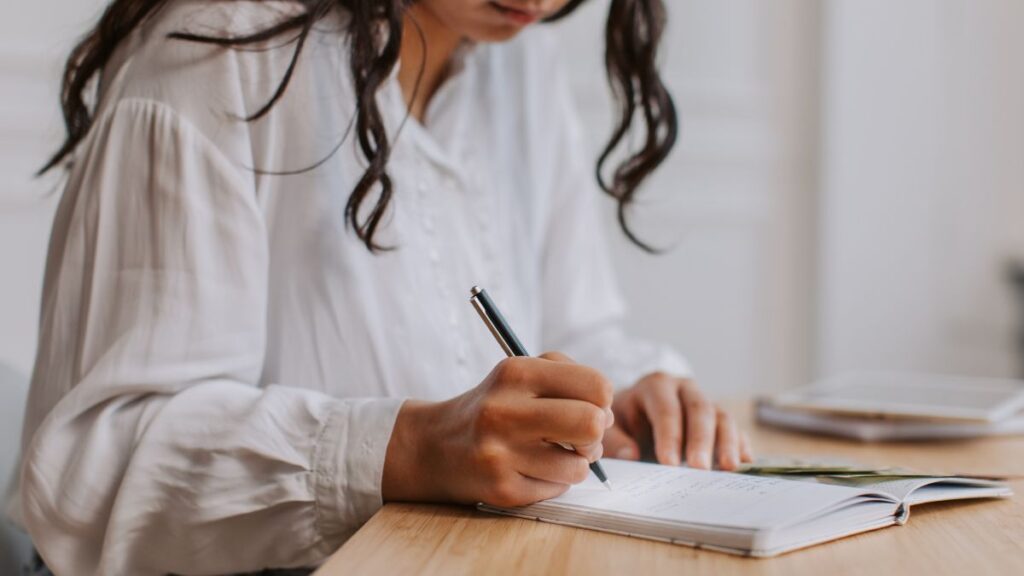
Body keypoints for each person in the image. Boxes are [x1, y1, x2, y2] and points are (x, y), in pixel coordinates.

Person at [10, 0, 753, 574]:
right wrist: (406, 451)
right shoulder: (219, 50)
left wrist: (620, 393)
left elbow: (575, 322)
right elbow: (91, 465)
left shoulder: (516, 62)